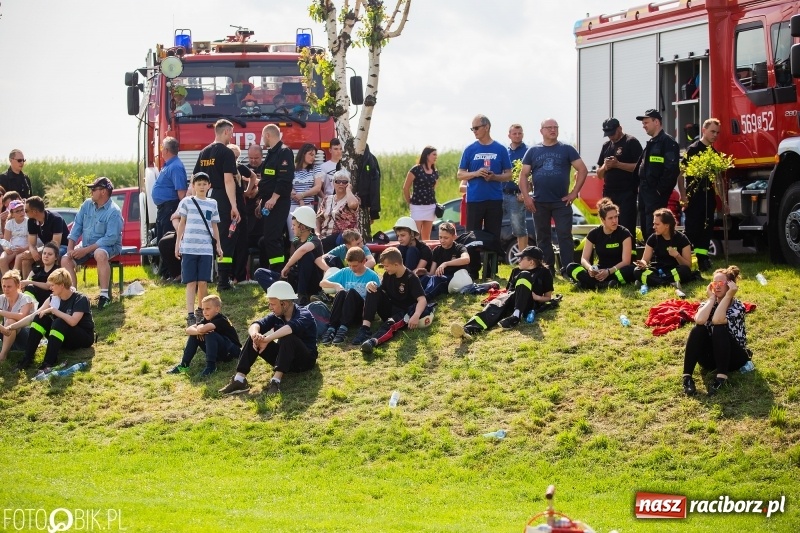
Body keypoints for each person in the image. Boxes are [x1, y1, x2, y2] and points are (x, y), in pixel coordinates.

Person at [218, 281, 318, 396]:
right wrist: (256, 336)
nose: (270, 307)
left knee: (287, 336)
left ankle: (275, 382)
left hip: (304, 361)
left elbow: (290, 328)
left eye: (273, 304)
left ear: (284, 303)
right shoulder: (276, 315)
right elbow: (256, 325)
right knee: (255, 337)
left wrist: (267, 339)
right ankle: (239, 379)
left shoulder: (304, 314)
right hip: (285, 359)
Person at [519, 118, 589, 274]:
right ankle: (547, 269)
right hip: (539, 202)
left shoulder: (567, 149)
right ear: (541, 131)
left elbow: (582, 170)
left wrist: (574, 192)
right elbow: (523, 175)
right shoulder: (533, 151)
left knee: (564, 235)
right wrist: (527, 197)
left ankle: (568, 269)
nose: (553, 130)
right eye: (549, 127)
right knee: (542, 237)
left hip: (561, 201)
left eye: (555, 127)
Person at [451, 246, 555, 338]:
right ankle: (468, 329)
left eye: (521, 258)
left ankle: (516, 316)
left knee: (525, 275)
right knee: (493, 306)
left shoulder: (544, 273)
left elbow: (548, 297)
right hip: (512, 298)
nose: (518, 260)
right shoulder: (515, 271)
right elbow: (509, 291)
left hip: (529, 303)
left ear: (531, 262)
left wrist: (537, 298)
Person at [682, 265, 750, 396]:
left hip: (734, 358)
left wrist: (728, 296)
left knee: (719, 328)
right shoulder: (707, 303)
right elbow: (700, 320)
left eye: (721, 283)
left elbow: (718, 320)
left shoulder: (737, 306)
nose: (717, 286)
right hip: (711, 359)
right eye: (714, 283)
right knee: (698, 330)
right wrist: (712, 299)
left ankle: (721, 378)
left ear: (730, 286)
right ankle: (687, 378)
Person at [353, 247, 430, 355]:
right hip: (390, 308)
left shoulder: (411, 277)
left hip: (403, 313)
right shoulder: (388, 275)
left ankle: (373, 341)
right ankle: (365, 328)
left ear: (396, 265)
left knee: (391, 323)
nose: (384, 269)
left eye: (386, 266)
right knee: (372, 290)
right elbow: (382, 291)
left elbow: (422, 299)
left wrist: (416, 315)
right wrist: (370, 285)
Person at [62, 177, 123, 310]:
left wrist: (85, 250)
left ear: (103, 192)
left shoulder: (114, 211)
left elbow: (110, 239)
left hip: (109, 246)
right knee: (65, 260)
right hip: (86, 245)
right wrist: (70, 249)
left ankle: (104, 296)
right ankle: (73, 297)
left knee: (100, 254)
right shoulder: (87, 204)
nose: (91, 192)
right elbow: (76, 226)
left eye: (93, 189)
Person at [193, 119, 241, 291]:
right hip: (220, 198)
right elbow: (228, 180)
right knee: (225, 239)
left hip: (203, 198)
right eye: (232, 132)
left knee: (206, 237)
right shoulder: (226, 153)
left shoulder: (203, 152)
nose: (232, 136)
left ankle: (202, 278)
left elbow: (194, 180)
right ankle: (223, 281)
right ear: (226, 131)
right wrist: (234, 206)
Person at [16, 268, 94, 372]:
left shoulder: (80, 298)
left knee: (59, 321)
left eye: (52, 285)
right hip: (62, 336)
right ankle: (27, 359)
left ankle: (48, 363)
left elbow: (73, 321)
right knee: (40, 318)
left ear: (62, 285)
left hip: (82, 338)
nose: (50, 288)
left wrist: (54, 311)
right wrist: (10, 327)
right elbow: (33, 316)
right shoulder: (53, 298)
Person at [175, 172, 223, 327]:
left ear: (209, 186)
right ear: (193, 186)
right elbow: (182, 223)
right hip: (189, 247)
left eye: (204, 184)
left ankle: (201, 311)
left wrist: (218, 246)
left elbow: (214, 225)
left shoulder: (213, 203)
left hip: (206, 249)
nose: (202, 187)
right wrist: (178, 244)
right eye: (199, 184)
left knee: (203, 282)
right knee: (191, 282)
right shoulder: (187, 202)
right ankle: (190, 314)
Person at [253, 206, 325, 305]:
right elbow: (294, 259)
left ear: (302, 227)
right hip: (296, 278)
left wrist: (287, 266)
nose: (291, 228)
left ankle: (301, 296)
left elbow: (302, 250)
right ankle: (282, 297)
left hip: (311, 282)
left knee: (306, 255)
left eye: (294, 225)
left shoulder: (314, 240)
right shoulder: (296, 241)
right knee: (260, 272)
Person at [457, 115, 512, 242]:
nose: (474, 131)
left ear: (486, 127)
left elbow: (509, 175)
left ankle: (491, 262)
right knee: (471, 238)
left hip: (494, 199)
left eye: (476, 128)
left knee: (493, 238)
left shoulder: (500, 149)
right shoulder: (470, 149)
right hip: (474, 200)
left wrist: (495, 177)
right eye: (472, 129)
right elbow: (460, 174)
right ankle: (473, 262)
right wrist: (476, 173)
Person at [679, 118, 721, 272]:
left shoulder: (714, 153)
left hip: (708, 198)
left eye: (717, 133)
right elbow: (680, 175)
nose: (715, 135)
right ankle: (685, 261)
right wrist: (683, 196)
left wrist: (724, 201)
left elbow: (717, 180)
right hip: (693, 198)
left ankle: (703, 259)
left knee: (706, 230)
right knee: (692, 230)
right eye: (712, 131)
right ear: (704, 130)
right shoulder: (693, 150)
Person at [565, 198, 636, 289]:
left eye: (616, 217)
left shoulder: (624, 233)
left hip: (616, 271)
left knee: (630, 270)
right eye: (610, 218)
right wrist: (590, 268)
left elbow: (626, 261)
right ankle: (601, 285)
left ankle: (588, 284)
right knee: (571, 267)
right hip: (599, 271)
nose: (614, 221)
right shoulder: (594, 233)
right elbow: (584, 258)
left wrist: (608, 271)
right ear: (603, 220)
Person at [633, 109, 680, 242]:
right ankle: (650, 258)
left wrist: (659, 191)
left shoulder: (667, 142)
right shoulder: (652, 143)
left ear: (657, 122)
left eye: (646, 122)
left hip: (655, 194)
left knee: (654, 227)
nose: (644, 126)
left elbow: (671, 170)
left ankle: (657, 258)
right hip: (645, 193)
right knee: (645, 225)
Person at [167, 295, 242, 378]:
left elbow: (204, 329)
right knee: (195, 335)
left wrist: (200, 329)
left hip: (231, 352)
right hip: (220, 352)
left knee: (209, 333)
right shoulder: (206, 320)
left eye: (208, 309)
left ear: (217, 309)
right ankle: (184, 365)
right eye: (203, 309)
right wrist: (199, 331)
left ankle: (211, 367)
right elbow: (188, 330)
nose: (204, 312)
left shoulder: (221, 319)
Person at [319, 247, 381, 344]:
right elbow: (322, 283)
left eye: (355, 265)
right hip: (345, 311)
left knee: (351, 292)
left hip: (359, 313)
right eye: (350, 265)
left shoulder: (372, 275)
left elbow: (379, 296)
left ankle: (343, 329)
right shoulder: (345, 271)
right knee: (341, 292)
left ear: (364, 261)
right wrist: (336, 285)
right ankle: (332, 328)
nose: (352, 268)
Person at [595, 118, 643, 235]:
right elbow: (599, 174)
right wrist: (605, 167)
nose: (610, 137)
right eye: (608, 134)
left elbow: (641, 167)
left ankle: (629, 252)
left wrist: (618, 164)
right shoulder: (606, 146)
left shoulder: (631, 142)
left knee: (626, 225)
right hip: (609, 193)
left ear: (620, 129)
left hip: (627, 192)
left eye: (612, 133)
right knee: (609, 225)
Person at [258, 124, 294, 272]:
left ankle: (279, 271)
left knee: (272, 238)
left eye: (262, 136)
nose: (262, 140)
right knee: (269, 238)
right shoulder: (272, 153)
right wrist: (262, 201)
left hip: (278, 203)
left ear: (267, 135)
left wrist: (273, 199)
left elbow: (284, 179)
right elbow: (268, 179)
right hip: (269, 203)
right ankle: (275, 269)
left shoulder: (284, 152)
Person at [151, 137, 187, 279]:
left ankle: (172, 274)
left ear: (166, 150)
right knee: (162, 239)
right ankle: (166, 273)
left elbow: (181, 193)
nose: (161, 151)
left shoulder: (176, 166)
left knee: (167, 241)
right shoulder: (169, 165)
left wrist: (180, 213)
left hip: (170, 208)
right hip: (163, 209)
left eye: (162, 148)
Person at [633, 208, 693, 287]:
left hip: (674, 271)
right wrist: (642, 264)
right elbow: (645, 259)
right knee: (637, 271)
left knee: (685, 271)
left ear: (667, 225)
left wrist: (677, 256)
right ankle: (667, 284)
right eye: (654, 224)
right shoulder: (653, 238)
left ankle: (653, 281)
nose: (654, 227)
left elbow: (688, 265)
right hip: (658, 271)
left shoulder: (682, 238)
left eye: (657, 224)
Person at [16, 196, 69, 278]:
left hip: (62, 247)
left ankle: (52, 285)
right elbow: (31, 243)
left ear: (34, 211)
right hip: (47, 247)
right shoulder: (31, 221)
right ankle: (27, 287)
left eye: (26, 210)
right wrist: (33, 251)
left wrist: (41, 253)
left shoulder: (56, 219)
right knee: (25, 259)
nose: (24, 213)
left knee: (52, 256)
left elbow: (55, 244)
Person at [418, 222, 471, 300]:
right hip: (441, 279)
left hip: (455, 280)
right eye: (440, 237)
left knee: (437, 279)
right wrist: (425, 273)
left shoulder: (459, 248)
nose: (442, 240)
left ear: (453, 237)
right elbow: (432, 273)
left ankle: (423, 299)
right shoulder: (437, 250)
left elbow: (466, 259)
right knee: (425, 278)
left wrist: (446, 264)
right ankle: (412, 296)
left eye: (446, 238)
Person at [316, 169, 360, 251]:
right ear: (333, 183)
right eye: (338, 181)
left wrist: (348, 190)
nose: (341, 184)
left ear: (349, 184)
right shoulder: (327, 199)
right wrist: (317, 233)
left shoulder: (352, 199)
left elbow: (353, 205)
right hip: (324, 236)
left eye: (344, 182)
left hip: (342, 239)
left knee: (322, 245)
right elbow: (318, 219)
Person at [403, 146, 439, 241]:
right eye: (434, 154)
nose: (436, 157)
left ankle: (426, 255)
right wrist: (409, 200)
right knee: (415, 236)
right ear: (427, 155)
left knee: (427, 236)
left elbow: (433, 188)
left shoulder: (435, 171)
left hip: (430, 206)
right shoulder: (416, 169)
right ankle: (415, 254)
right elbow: (406, 187)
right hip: (417, 206)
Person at [288, 143, 323, 241]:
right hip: (292, 207)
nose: (313, 158)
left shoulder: (316, 168)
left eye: (314, 155)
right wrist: (297, 197)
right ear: (303, 153)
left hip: (309, 206)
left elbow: (317, 187)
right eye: (311, 154)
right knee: (294, 239)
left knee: (307, 237)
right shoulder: (291, 168)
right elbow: (287, 184)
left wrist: (302, 195)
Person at [0, 270, 35, 362]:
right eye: (4, 286)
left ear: (18, 286)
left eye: (9, 287)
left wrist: (1, 312)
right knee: (7, 323)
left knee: (10, 321)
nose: (6, 289)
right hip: (7, 334)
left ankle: (2, 357)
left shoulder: (26, 298)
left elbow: (21, 317)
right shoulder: (2, 298)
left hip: (25, 337)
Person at [505, 124, 530, 252]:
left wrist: (525, 193)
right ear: (509, 135)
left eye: (519, 133)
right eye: (514, 133)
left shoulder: (528, 151)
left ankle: (523, 257)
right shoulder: (504, 151)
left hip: (517, 195)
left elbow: (532, 175)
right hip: (501, 193)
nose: (517, 136)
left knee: (519, 228)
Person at [20, 241, 60, 307]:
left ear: (56, 257)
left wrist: (31, 282)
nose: (46, 256)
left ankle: (26, 310)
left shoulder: (57, 270)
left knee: (30, 287)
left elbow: (48, 286)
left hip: (48, 298)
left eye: (50, 254)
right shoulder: (36, 269)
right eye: (44, 253)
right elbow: (26, 282)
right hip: (33, 296)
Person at [1, 200, 30, 275]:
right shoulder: (9, 223)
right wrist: (6, 249)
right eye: (17, 211)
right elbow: (5, 241)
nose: (21, 213)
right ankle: (6, 282)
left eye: (22, 210)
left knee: (18, 260)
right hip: (13, 248)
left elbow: (32, 242)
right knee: (2, 259)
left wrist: (23, 249)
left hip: (25, 248)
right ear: (12, 214)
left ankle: (13, 280)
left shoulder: (29, 222)